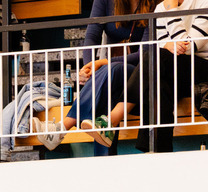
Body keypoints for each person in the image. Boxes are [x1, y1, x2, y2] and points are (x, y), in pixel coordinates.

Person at [30, 0, 151, 154]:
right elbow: (92, 36)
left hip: (141, 78)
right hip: (112, 79)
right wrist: (89, 69)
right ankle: (102, 162)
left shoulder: (155, 3)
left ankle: (63, 127)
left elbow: (145, 53)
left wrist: (102, 63)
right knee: (107, 91)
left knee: (114, 69)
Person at [89, 0, 208, 153]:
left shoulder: (203, 3)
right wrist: (168, 45)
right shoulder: (160, 8)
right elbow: (163, 45)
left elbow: (189, 47)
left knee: (154, 56)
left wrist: (172, 10)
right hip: (175, 71)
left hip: (201, 69)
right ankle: (157, 152)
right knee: (158, 85)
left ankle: (112, 119)